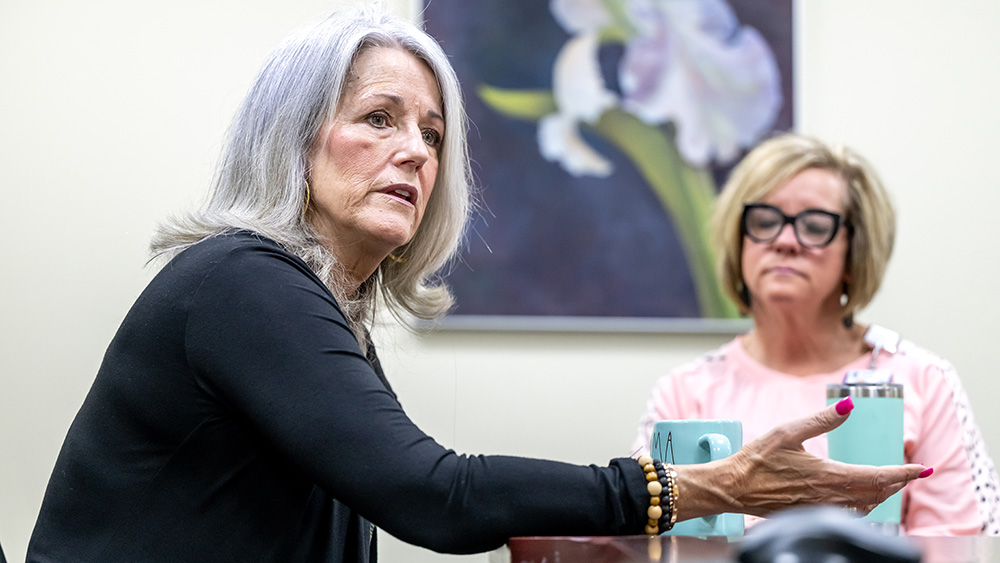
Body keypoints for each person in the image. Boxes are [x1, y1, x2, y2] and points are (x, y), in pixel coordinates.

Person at [28, 7, 929, 562]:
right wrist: (700, 487)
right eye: (378, 119)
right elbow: (437, 496)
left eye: (431, 132)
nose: (415, 150)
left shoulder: (314, 309)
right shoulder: (238, 283)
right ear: (292, 142)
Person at [632, 133, 1000, 535]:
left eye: (814, 225)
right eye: (765, 221)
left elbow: (964, 546)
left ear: (853, 251)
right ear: (738, 242)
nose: (786, 241)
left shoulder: (925, 380)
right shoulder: (684, 390)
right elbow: (652, 539)